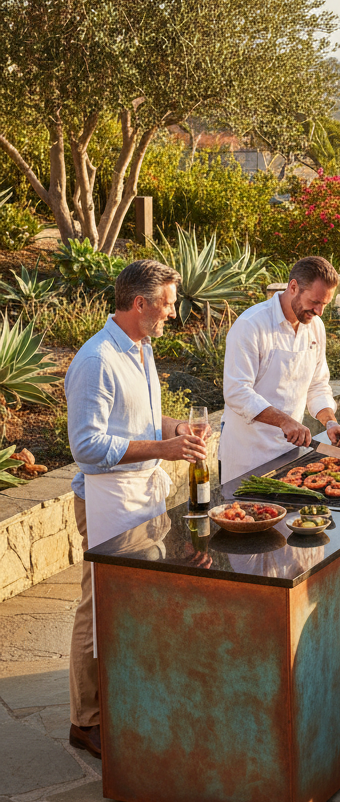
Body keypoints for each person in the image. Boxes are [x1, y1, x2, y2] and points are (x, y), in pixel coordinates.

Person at [65, 260, 210, 759]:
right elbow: (87, 446)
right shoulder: (96, 360)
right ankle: (86, 720)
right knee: (99, 607)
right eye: (167, 305)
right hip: (106, 498)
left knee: (136, 603)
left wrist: (174, 430)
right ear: (140, 303)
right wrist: (162, 450)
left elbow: (142, 421)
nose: (172, 314)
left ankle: (129, 699)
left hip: (140, 493)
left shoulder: (141, 349)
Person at [218, 255, 340, 485]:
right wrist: (284, 421)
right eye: (314, 302)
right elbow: (236, 391)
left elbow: (317, 384)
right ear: (293, 287)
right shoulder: (251, 325)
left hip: (290, 454)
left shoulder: (315, 327)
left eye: (325, 305)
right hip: (247, 457)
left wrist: (330, 421)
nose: (319, 311)